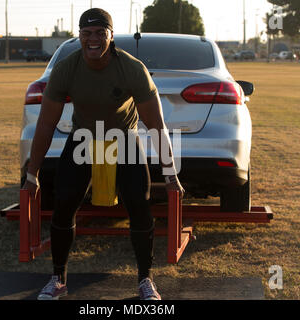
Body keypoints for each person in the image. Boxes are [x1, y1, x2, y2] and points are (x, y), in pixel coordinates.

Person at [23, 8, 184, 300]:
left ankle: (145, 280)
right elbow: (45, 124)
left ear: (111, 36)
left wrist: (171, 173)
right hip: (84, 137)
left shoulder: (132, 68)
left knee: (138, 203)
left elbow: (156, 125)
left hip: (123, 138)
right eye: (87, 33)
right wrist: (32, 174)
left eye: (100, 33)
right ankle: (58, 278)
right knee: (64, 202)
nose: (93, 39)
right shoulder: (67, 69)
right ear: (80, 36)